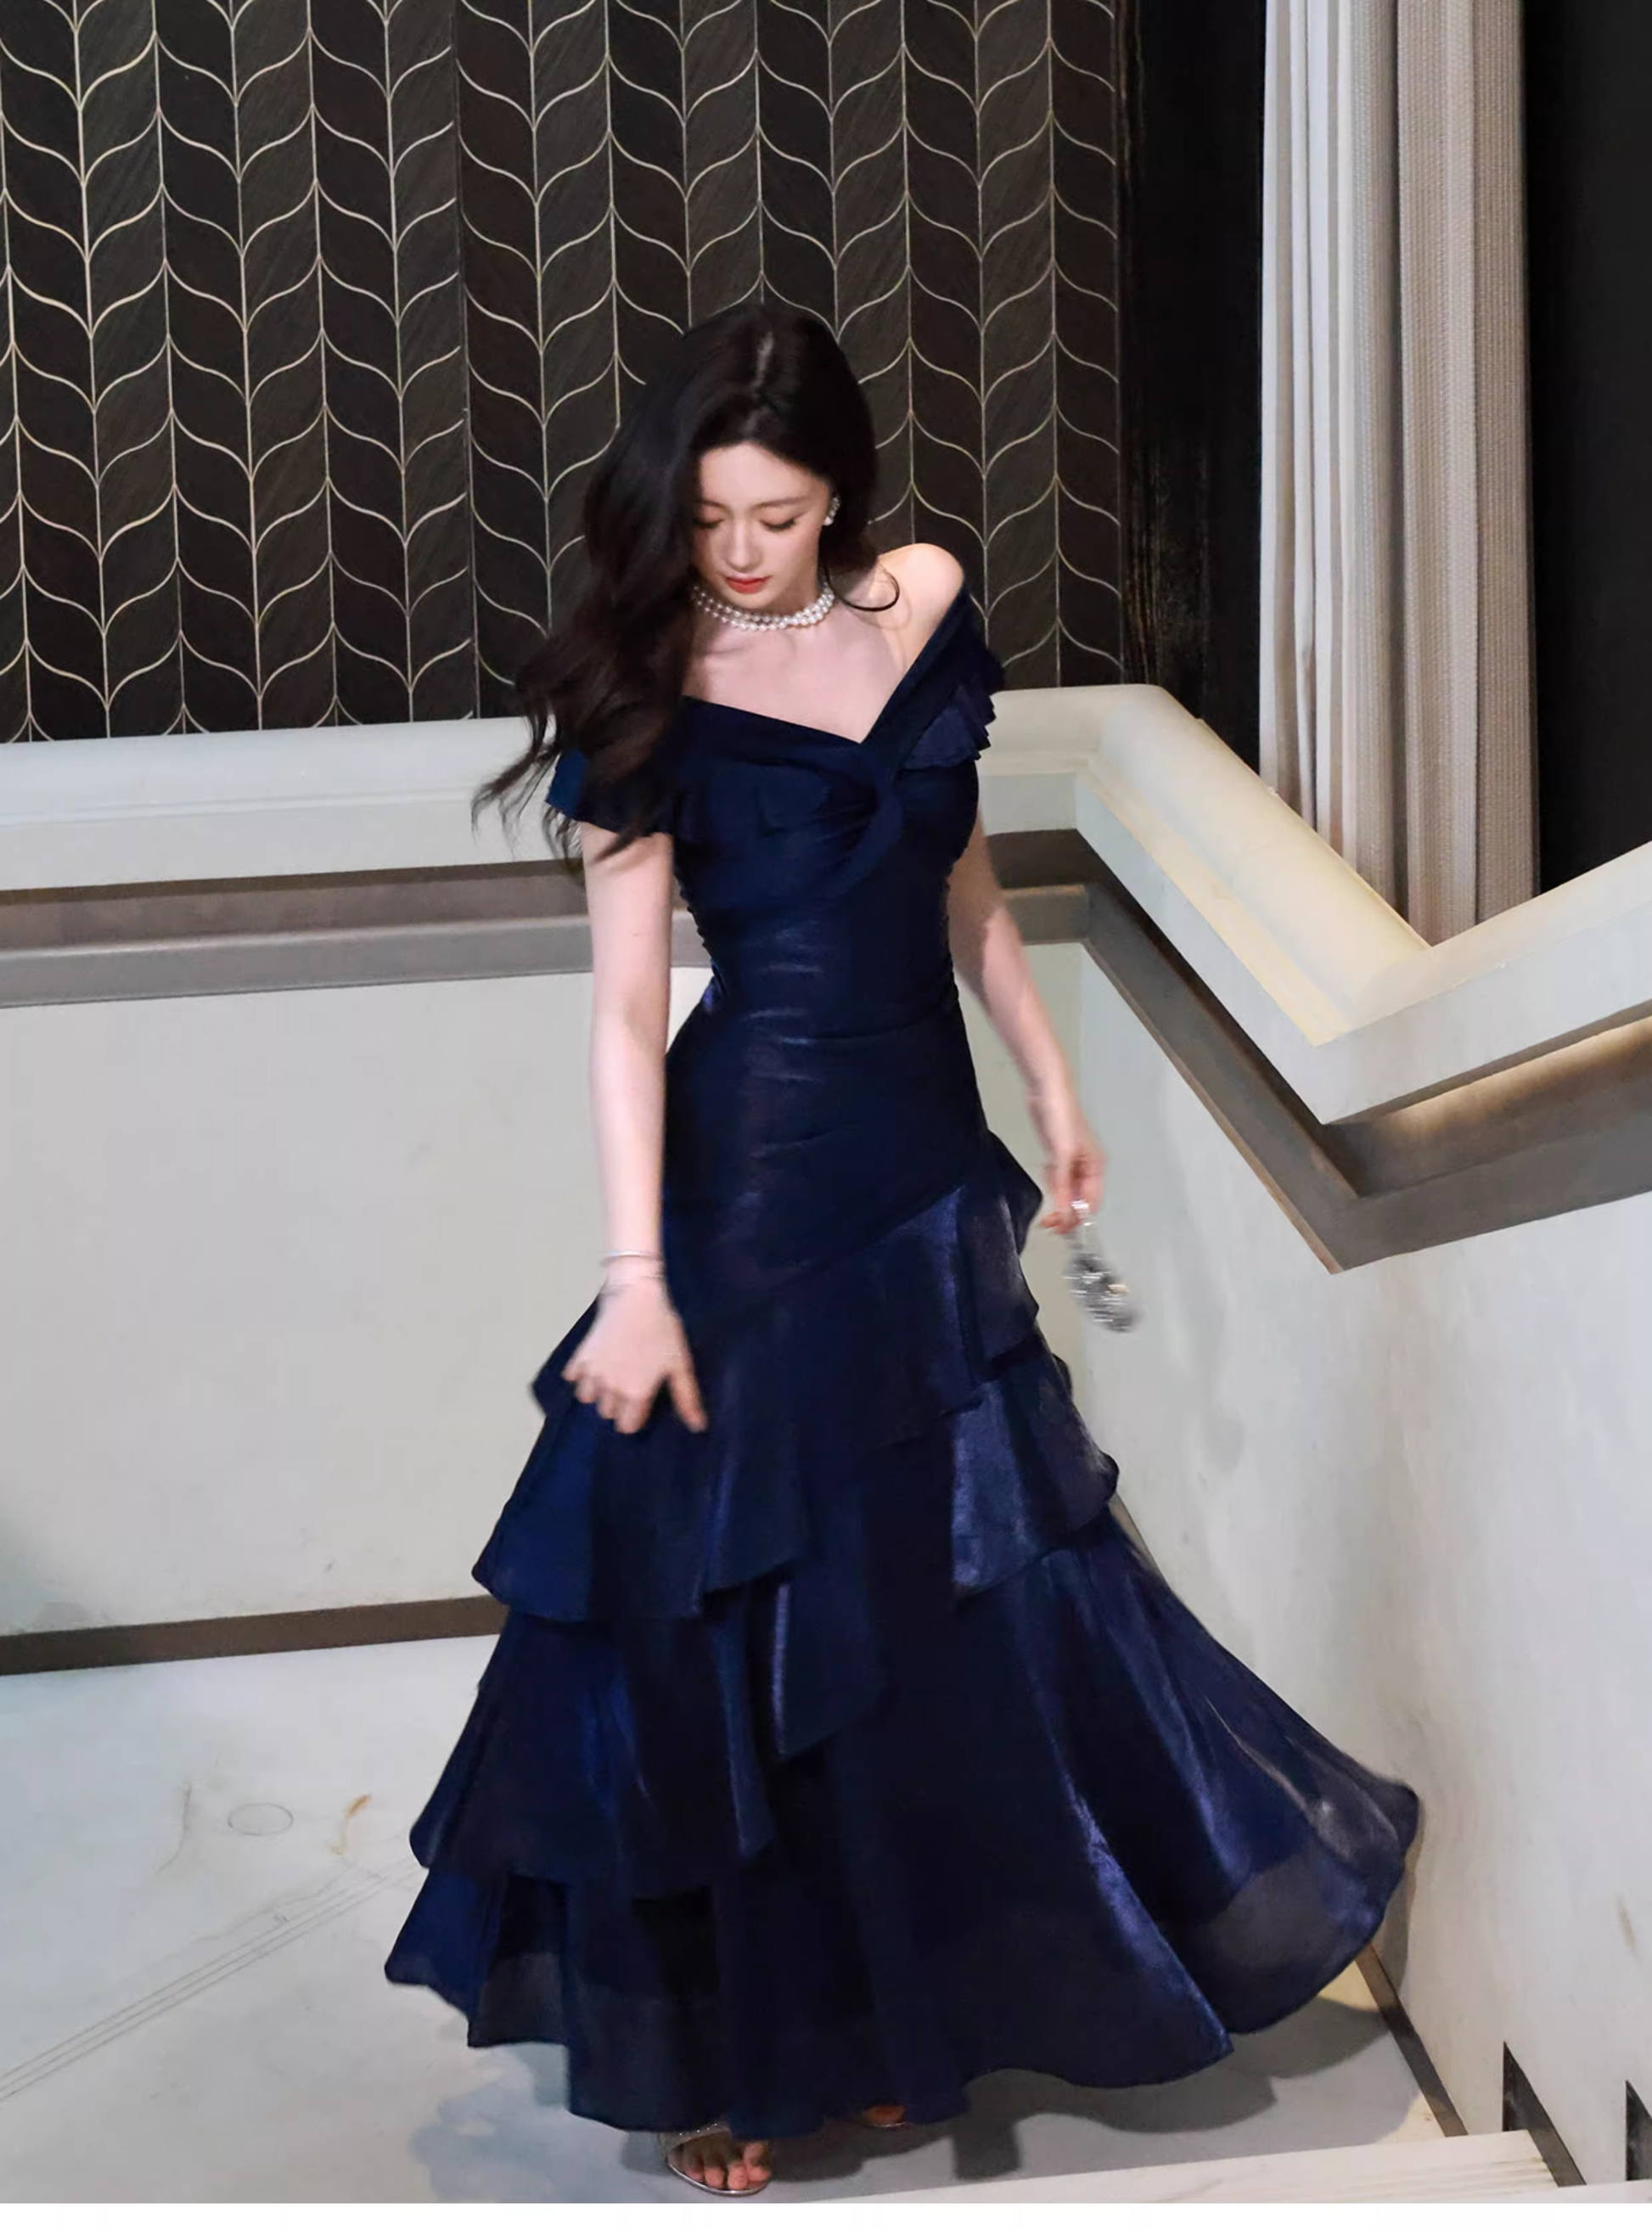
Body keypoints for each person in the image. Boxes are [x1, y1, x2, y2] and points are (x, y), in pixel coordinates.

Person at [384, 301, 1420, 2197]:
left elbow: (961, 878)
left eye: (775, 515)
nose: (739, 551)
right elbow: (621, 1012)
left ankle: (886, 2003)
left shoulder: (923, 598)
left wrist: (1049, 1079)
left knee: (938, 1590)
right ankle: (717, 2046)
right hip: (750, 1176)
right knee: (719, 1602)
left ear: (840, 492)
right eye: (710, 517)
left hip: (923, 1156)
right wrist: (637, 1275)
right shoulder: (647, 685)